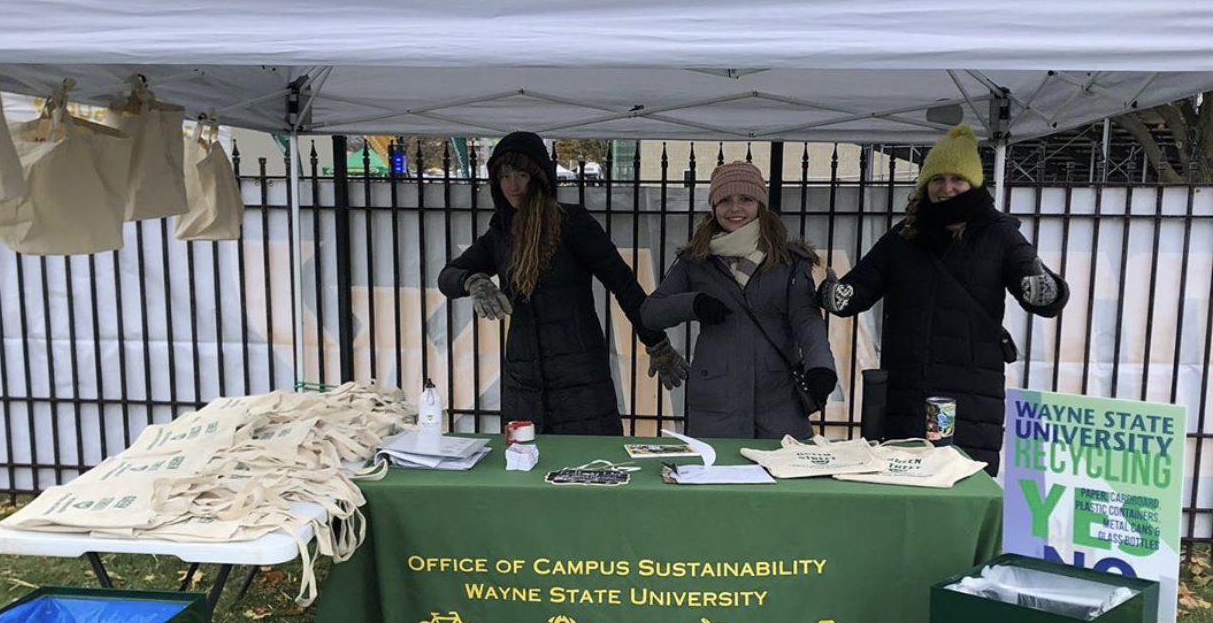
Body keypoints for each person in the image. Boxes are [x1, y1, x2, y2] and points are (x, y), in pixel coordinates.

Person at [817, 124, 1068, 475]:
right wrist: (835, 295)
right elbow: (859, 287)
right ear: (926, 184)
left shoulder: (1000, 235)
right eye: (937, 179)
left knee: (964, 485)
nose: (946, 188)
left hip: (972, 392)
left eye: (957, 179)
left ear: (973, 183)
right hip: (906, 388)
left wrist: (1047, 291)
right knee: (901, 484)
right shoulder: (904, 236)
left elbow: (1036, 285)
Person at [438, 132, 688, 434]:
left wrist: (656, 341)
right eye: (504, 176)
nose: (512, 185)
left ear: (539, 177)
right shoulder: (500, 234)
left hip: (580, 380)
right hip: (524, 383)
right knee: (527, 467)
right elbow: (448, 275)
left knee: (590, 469)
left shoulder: (573, 224)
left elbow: (623, 284)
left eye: (521, 174)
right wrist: (473, 281)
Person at [639, 161, 837, 439]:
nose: (734, 209)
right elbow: (651, 313)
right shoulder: (695, 260)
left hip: (779, 401)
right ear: (713, 206)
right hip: (716, 401)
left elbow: (806, 320)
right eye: (725, 200)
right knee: (715, 480)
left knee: (781, 477)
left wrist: (820, 367)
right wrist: (693, 304)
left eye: (745, 199)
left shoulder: (790, 261)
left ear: (760, 204)